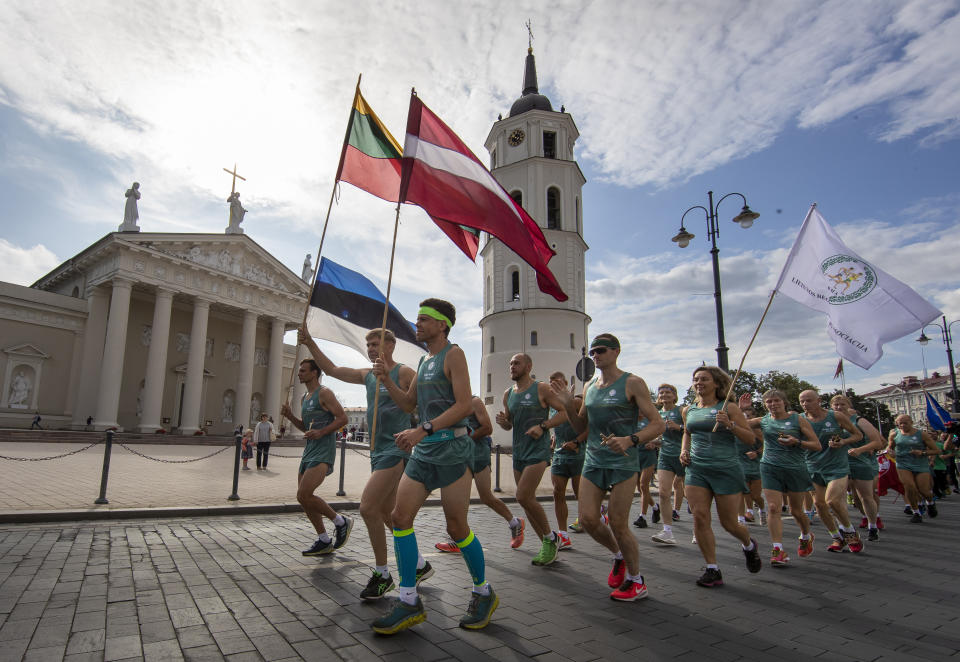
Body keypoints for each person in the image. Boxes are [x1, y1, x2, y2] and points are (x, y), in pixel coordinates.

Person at [369, 299, 498, 634]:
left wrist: (422, 429)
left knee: (457, 527)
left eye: (424, 319)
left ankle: (483, 592)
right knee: (399, 517)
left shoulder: (453, 354)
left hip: (453, 450)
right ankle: (409, 600)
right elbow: (409, 403)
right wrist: (387, 379)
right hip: (425, 452)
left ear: (443, 325)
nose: (418, 324)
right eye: (417, 319)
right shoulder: (424, 359)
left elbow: (463, 405)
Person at [298, 326, 434, 601]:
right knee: (389, 514)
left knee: (368, 507)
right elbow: (333, 370)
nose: (371, 349)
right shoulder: (366, 375)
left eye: (375, 344)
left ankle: (382, 575)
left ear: (391, 346)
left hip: (395, 450)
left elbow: (416, 405)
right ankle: (420, 564)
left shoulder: (404, 372)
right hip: (375, 451)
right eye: (369, 345)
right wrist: (310, 342)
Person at [551, 333, 664, 601]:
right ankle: (618, 555)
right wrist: (568, 405)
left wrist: (630, 440)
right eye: (592, 352)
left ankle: (637, 581)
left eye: (601, 350)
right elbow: (581, 427)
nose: (596, 355)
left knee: (618, 523)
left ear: (616, 352)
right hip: (593, 460)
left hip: (623, 462)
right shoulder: (590, 386)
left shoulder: (632, 382)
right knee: (589, 520)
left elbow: (657, 424)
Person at [680, 366, 762, 587]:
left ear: (716, 383)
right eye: (696, 379)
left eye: (704, 379)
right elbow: (687, 433)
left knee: (729, 524)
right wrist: (683, 451)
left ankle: (748, 545)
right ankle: (712, 568)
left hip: (725, 469)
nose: (699, 383)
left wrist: (730, 424)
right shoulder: (689, 410)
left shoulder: (729, 407)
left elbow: (749, 439)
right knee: (699, 516)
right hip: (696, 469)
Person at [495, 353, 572, 566]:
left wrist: (543, 426)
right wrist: (503, 422)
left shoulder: (541, 389)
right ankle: (547, 545)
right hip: (519, 452)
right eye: (510, 363)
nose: (512, 366)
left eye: (516, 363)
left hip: (538, 451)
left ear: (528, 366)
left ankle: (551, 537)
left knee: (523, 495)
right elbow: (510, 424)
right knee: (527, 502)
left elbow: (564, 413)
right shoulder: (507, 393)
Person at [280, 359, 353, 557]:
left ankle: (340, 521)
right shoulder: (305, 398)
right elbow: (306, 428)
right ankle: (323, 540)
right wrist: (290, 417)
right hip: (309, 450)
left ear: (314, 373)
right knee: (303, 498)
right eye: (300, 370)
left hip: (323, 450)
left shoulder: (325, 393)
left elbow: (343, 419)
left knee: (304, 494)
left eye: (303, 371)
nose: (299, 374)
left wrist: (321, 432)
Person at [436, 396, 525, 553]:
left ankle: (515, 522)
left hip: (478, 455)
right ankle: (457, 539)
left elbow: (487, 428)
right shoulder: (449, 404)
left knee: (486, 497)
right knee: (458, 499)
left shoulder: (474, 402)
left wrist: (463, 439)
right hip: (459, 457)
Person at [744, 389, 819, 567]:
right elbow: (738, 425)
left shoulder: (797, 419)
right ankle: (777, 549)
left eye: (776, 401)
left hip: (795, 468)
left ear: (784, 402)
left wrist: (797, 442)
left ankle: (806, 536)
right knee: (773, 507)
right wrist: (741, 411)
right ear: (764, 405)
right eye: (768, 402)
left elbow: (816, 445)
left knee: (796, 511)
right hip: (770, 467)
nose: (773, 404)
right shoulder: (763, 421)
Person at [798, 389, 864, 552]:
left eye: (809, 400)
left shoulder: (835, 416)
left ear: (819, 400)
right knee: (819, 506)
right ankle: (836, 537)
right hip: (813, 467)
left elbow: (858, 436)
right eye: (802, 401)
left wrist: (843, 441)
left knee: (832, 501)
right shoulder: (799, 419)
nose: (805, 404)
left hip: (837, 466)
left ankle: (850, 533)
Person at [829, 395, 884, 541]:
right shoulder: (830, 422)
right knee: (837, 499)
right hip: (839, 464)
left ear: (848, 405)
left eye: (842, 404)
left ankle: (873, 526)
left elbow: (878, 442)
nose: (839, 407)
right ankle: (844, 528)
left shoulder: (859, 421)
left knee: (865, 497)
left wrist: (861, 449)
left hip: (860, 462)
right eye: (835, 405)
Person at [546, 373, 586, 549]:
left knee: (581, 495)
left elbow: (589, 427)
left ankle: (597, 515)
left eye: (558, 383)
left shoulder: (576, 402)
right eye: (551, 384)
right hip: (560, 455)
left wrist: (577, 442)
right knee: (557, 492)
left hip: (578, 454)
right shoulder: (553, 406)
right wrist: (553, 439)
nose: (555, 387)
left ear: (565, 384)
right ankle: (563, 535)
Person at [886, 414, 941, 522]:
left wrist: (922, 452)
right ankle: (916, 512)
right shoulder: (894, 434)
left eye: (905, 423)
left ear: (911, 422)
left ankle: (930, 502)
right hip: (903, 464)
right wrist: (890, 452)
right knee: (910, 487)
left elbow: (936, 450)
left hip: (920, 464)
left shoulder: (922, 434)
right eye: (900, 423)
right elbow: (889, 447)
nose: (902, 425)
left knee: (924, 491)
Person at [651, 384, 684, 545]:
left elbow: (692, 431)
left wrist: (679, 427)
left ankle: (699, 530)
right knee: (664, 493)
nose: (664, 394)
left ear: (674, 395)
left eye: (667, 392)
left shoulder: (682, 411)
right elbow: (659, 435)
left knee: (692, 497)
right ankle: (667, 532)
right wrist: (654, 442)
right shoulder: (658, 414)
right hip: (665, 455)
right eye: (661, 392)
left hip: (684, 456)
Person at [734, 399, 764, 528]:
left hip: (755, 464)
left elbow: (766, 445)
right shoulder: (736, 428)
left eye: (749, 417)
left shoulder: (757, 430)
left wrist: (757, 452)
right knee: (741, 491)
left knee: (755, 495)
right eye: (744, 416)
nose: (747, 419)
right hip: (739, 463)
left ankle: (762, 510)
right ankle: (742, 517)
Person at [631, 411, 659, 529]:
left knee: (643, 485)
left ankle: (642, 517)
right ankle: (655, 507)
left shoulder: (651, 419)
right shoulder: (630, 420)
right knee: (640, 488)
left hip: (648, 456)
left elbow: (660, 436)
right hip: (634, 456)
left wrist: (654, 442)